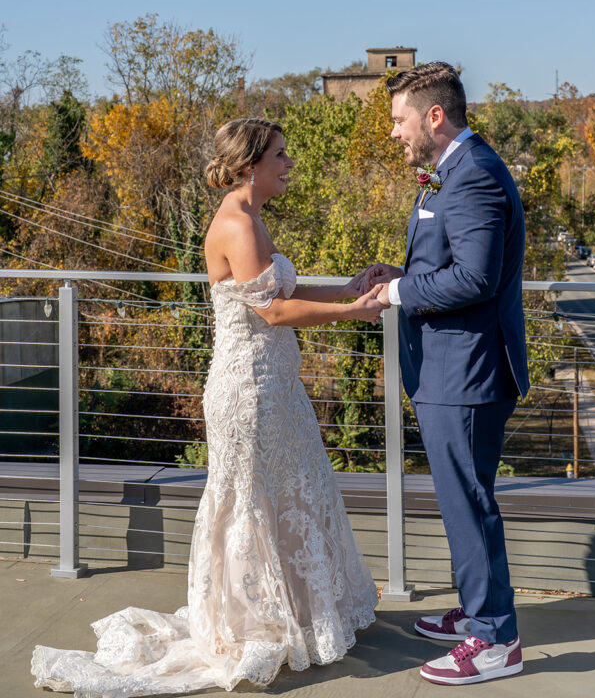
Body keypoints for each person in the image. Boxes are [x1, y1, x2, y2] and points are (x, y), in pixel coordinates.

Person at [32, 117, 382, 696]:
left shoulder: (254, 217)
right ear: (250, 164)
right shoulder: (238, 224)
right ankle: (250, 625)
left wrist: (346, 289)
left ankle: (290, 615)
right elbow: (271, 314)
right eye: (281, 154)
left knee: (288, 492)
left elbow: (283, 294)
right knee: (251, 500)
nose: (289, 163)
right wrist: (354, 315)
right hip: (247, 391)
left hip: (275, 389)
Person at [366, 62, 529, 686]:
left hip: (465, 372)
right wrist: (398, 273)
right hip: (448, 368)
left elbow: (475, 278)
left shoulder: (474, 176)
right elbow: (447, 260)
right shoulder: (453, 171)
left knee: (469, 504)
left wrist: (399, 292)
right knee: (465, 500)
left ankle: (494, 641)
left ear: (435, 117)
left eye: (399, 120)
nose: (393, 133)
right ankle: (476, 611)